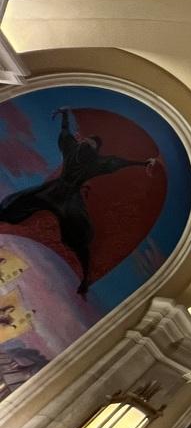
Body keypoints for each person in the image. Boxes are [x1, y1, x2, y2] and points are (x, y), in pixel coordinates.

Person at [0, 107, 157, 295]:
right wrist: (65, 115)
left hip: (68, 197)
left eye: (90, 144)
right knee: (19, 203)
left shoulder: (96, 162)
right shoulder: (74, 150)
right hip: (54, 191)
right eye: (86, 141)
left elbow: (119, 162)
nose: (86, 144)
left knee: (79, 235)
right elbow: (65, 133)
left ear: (95, 149)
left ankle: (85, 277)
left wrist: (144, 163)